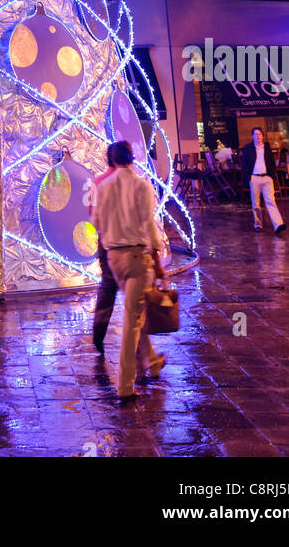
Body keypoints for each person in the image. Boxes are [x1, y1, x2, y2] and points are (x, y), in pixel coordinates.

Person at [92, 139, 167, 401]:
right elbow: (149, 226)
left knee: (138, 308)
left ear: (112, 160)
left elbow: (97, 222)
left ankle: (154, 359)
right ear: (132, 158)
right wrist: (157, 262)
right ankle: (125, 386)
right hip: (136, 257)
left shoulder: (102, 187)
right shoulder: (141, 186)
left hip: (114, 257)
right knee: (132, 320)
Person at [88, 143, 119, 355]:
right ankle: (142, 346)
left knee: (107, 288)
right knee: (138, 295)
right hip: (130, 246)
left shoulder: (98, 182)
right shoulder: (135, 182)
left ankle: (98, 333)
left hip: (106, 242)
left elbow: (93, 215)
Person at [242, 126, 286, 234]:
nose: (258, 136)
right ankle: (258, 224)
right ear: (252, 136)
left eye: (260, 134)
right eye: (256, 134)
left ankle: (278, 224)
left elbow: (271, 162)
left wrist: (271, 175)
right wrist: (249, 178)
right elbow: (245, 164)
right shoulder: (248, 148)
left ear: (263, 136)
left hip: (266, 177)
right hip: (255, 177)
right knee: (256, 204)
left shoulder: (267, 147)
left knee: (271, 201)